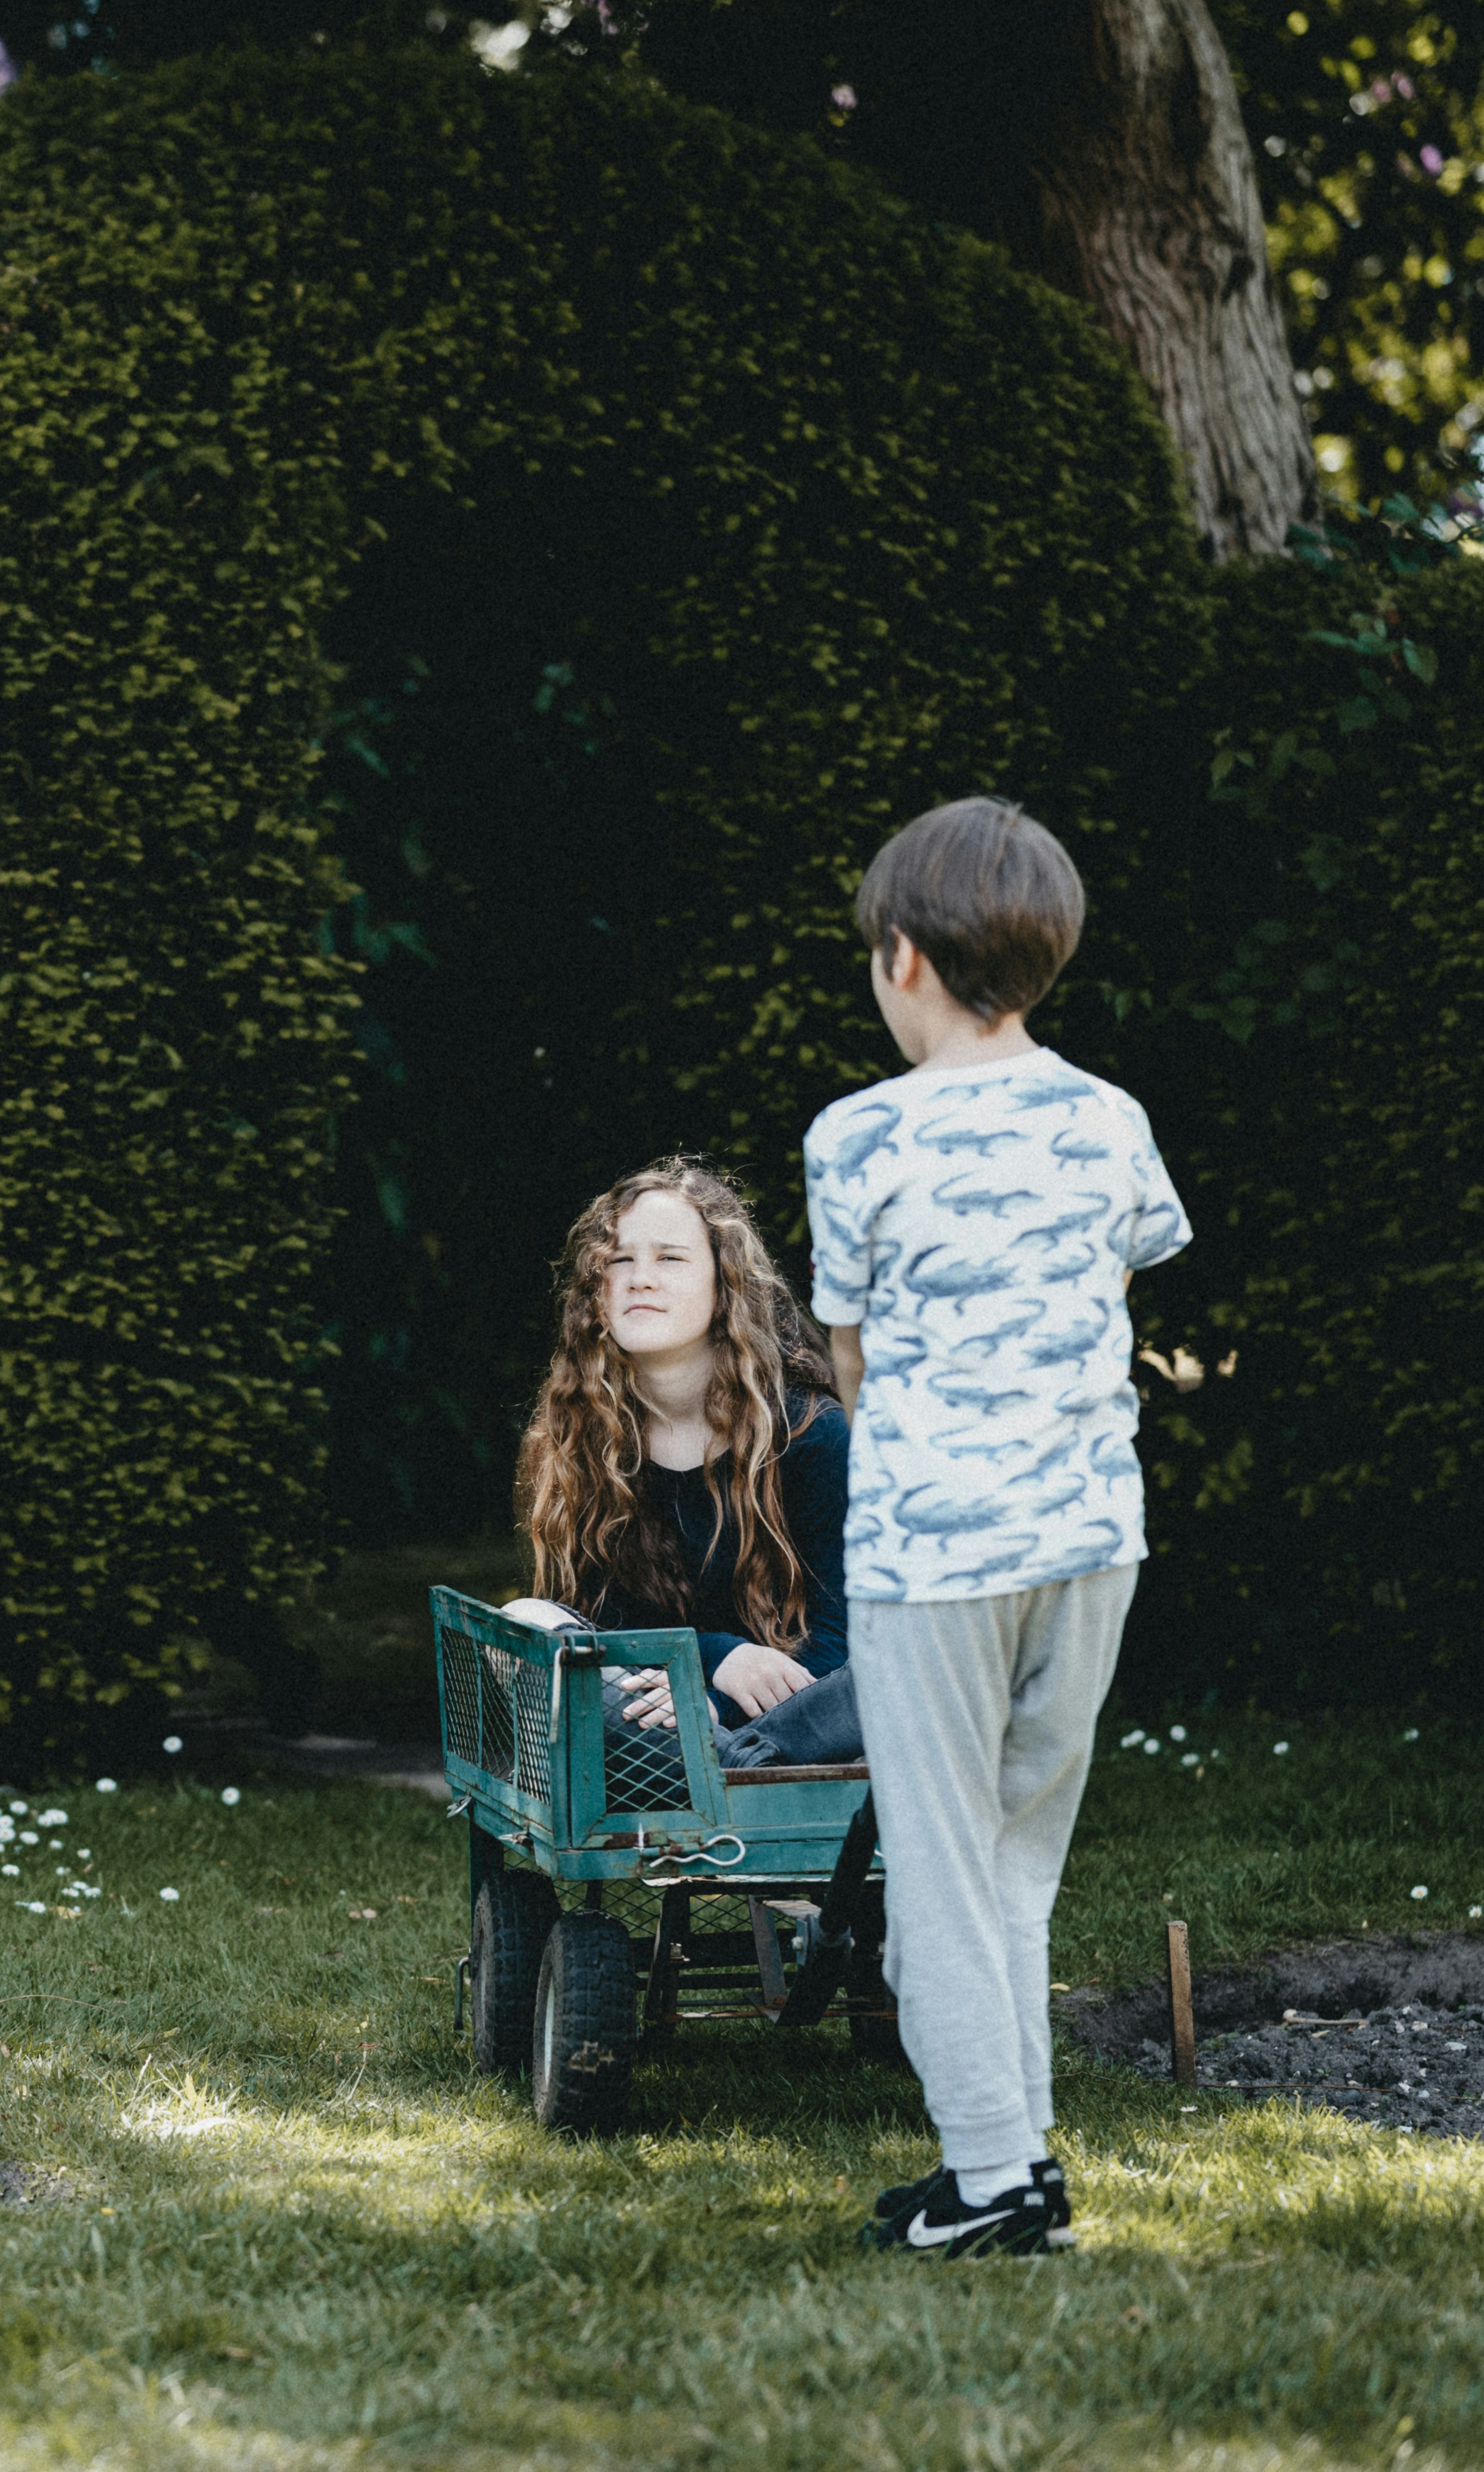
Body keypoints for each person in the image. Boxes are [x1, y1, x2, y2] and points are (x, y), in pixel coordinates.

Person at [805, 795, 1189, 2261]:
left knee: (945, 1876)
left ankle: (987, 2187)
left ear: (903, 958)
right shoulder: (1112, 1118)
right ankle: (1013, 2161)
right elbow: (1122, 1290)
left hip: (936, 1556)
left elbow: (847, 1355)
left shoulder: (857, 1137)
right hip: (1092, 1538)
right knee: (1013, 1861)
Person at [512, 1157, 855, 1770]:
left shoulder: (809, 1432)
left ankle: (732, 1765)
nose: (640, 1279)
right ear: (595, 1290)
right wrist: (715, 1658)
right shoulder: (580, 1439)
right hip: (655, 1711)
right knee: (527, 1633)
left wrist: (711, 1707)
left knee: (884, 1680)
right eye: (619, 1260)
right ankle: (718, 1767)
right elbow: (600, 1628)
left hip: (802, 1715)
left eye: (669, 1258)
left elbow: (842, 1641)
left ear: (725, 1285)